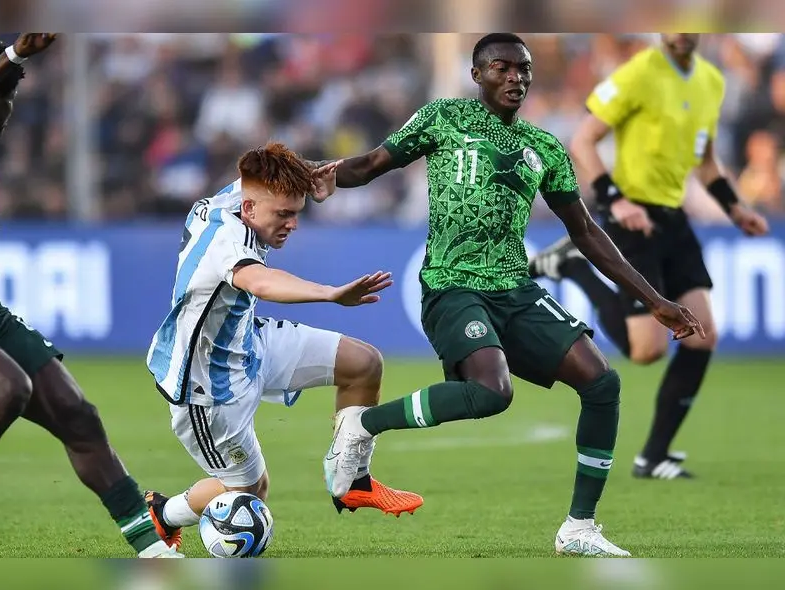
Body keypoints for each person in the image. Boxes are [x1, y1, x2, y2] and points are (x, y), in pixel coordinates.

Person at [314, 33, 705, 557]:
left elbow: (586, 230)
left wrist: (655, 299)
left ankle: (579, 529)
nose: (515, 78)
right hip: (453, 284)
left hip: (515, 288)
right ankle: (362, 424)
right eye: (502, 68)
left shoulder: (544, 148)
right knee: (492, 393)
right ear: (477, 75)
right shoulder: (443, 117)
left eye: (523, 70)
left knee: (602, 383)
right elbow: (371, 163)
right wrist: (322, 176)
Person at [0, 34, 180, 558]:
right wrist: (12, 57)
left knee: (77, 412)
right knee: (9, 388)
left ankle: (150, 547)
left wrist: (10, 68)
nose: (10, 111)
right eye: (7, 99)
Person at [142, 142, 423, 551]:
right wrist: (330, 294)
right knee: (249, 494)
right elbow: (261, 282)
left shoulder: (240, 195)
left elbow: (271, 168)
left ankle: (352, 481)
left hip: (248, 341)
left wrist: (312, 177)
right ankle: (164, 514)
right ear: (251, 209)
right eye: (284, 214)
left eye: (297, 213)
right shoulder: (226, 238)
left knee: (362, 364)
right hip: (208, 386)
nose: (293, 224)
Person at [529, 34, 769, 480]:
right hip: (629, 217)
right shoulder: (639, 73)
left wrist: (735, 207)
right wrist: (614, 199)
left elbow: (708, 161)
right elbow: (583, 141)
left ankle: (654, 456)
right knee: (645, 352)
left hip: (673, 220)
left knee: (701, 336)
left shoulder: (711, 81)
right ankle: (577, 267)